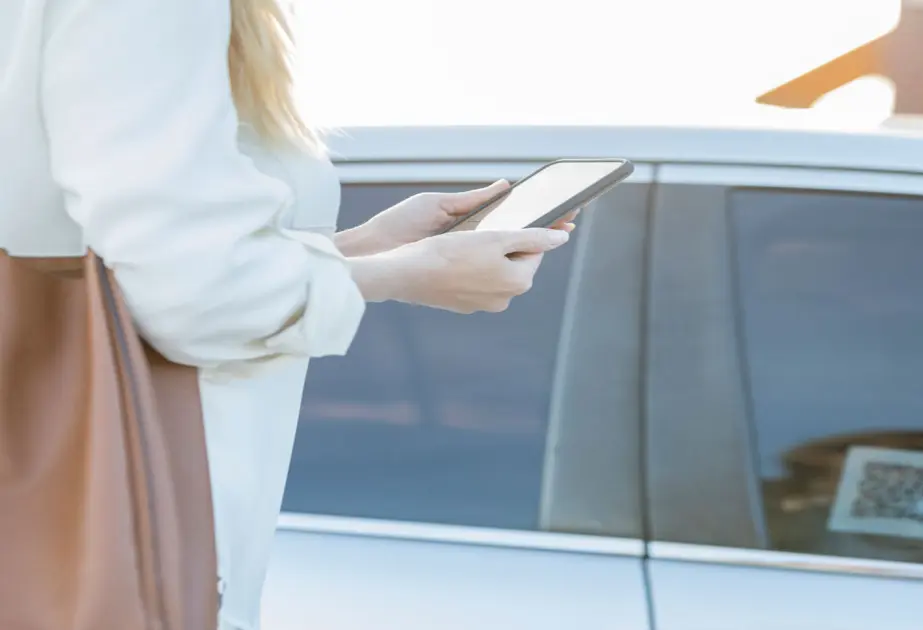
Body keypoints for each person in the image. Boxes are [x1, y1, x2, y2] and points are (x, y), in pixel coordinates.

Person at [0, 1, 573, 629]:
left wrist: (361, 248)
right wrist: (408, 272)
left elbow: (156, 262)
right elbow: (198, 293)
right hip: (147, 505)